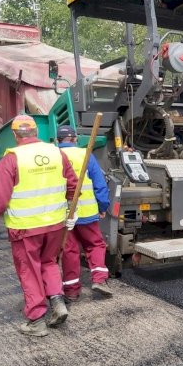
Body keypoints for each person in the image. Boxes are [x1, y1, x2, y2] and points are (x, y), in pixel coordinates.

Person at [0, 115, 79, 337]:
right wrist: (73, 209)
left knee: (29, 270)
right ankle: (58, 303)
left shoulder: (12, 158)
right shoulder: (56, 152)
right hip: (54, 224)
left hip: (25, 228)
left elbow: (0, 196)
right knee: (49, 263)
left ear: (15, 135)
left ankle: (36, 321)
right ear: (36, 132)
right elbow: (73, 184)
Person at [56, 125, 114, 300]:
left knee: (69, 249)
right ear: (74, 139)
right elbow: (99, 184)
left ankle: (72, 291)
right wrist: (103, 207)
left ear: (57, 140)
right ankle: (99, 280)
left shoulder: (53, 156)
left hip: (62, 214)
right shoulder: (85, 155)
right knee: (95, 244)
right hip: (87, 213)